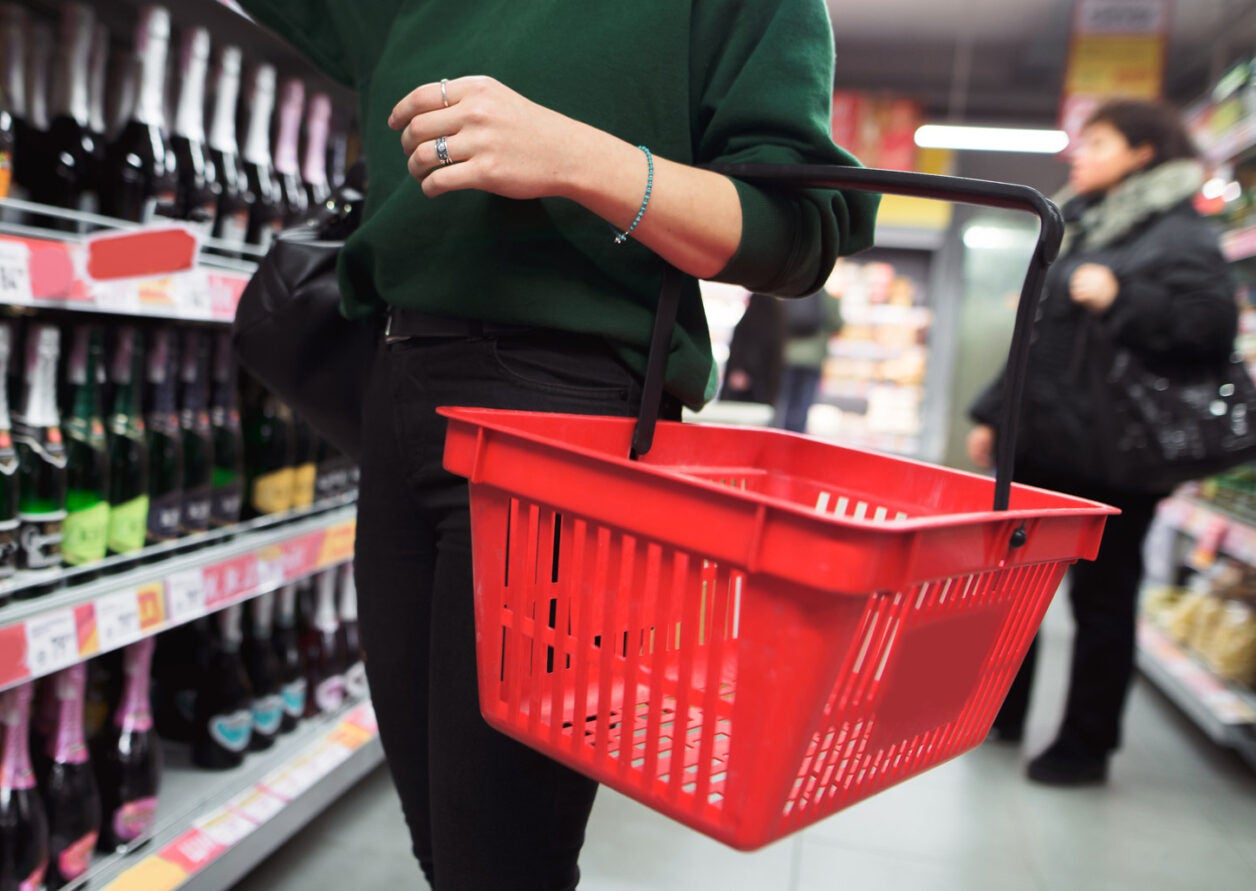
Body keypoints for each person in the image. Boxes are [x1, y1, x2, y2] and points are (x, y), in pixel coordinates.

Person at [239, 2, 876, 887]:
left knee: (502, 862)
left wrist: (582, 159)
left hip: (563, 409)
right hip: (394, 382)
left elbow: (804, 229)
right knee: (441, 838)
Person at [967, 99, 1237, 787]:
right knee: (1011, 587)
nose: (1079, 154)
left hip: (1116, 458)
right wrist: (993, 412)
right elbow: (1039, 336)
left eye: (1098, 141)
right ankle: (999, 710)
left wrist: (1121, 296)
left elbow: (1210, 330)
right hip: (1044, 439)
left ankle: (1084, 745)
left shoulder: (1181, 235)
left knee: (1103, 604)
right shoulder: (1082, 223)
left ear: (1143, 152)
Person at [774, 290, 844, 432]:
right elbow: (836, 324)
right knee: (802, 406)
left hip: (787, 356)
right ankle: (794, 442)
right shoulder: (827, 298)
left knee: (782, 403)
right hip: (813, 358)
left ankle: (778, 438)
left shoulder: (790, 292)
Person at [719, 294, 784, 406]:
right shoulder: (777, 322)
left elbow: (740, 351)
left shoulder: (749, 321)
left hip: (743, 387)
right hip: (765, 391)